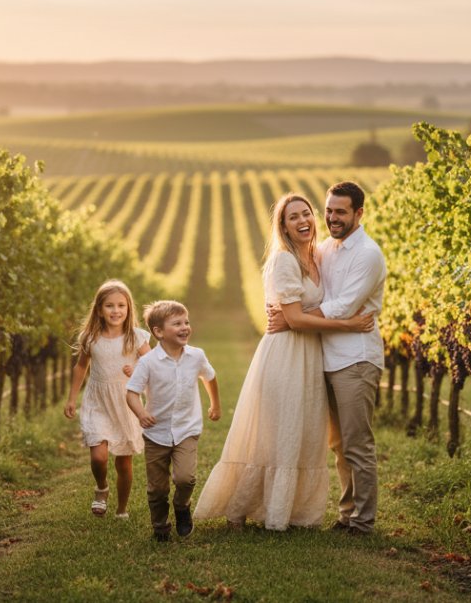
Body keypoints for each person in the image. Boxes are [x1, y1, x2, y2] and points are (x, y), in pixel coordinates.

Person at [194, 194, 375, 531]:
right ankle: (239, 509)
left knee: (299, 432)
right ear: (283, 226)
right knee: (274, 433)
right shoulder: (284, 261)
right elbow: (293, 317)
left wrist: (296, 318)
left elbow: (298, 314)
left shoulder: (317, 258)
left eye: (306, 213)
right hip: (286, 355)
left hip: (310, 356)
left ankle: (287, 510)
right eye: (293, 217)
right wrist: (345, 324)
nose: (302, 220)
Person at [268, 181, 386, 535]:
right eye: (329, 211)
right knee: (337, 445)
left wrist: (292, 323)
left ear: (359, 213)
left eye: (341, 212)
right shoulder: (324, 249)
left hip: (356, 358)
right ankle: (346, 513)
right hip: (325, 357)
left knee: (357, 443)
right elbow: (296, 286)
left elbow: (344, 306)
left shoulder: (368, 254)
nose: (332, 218)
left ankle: (363, 522)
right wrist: (282, 311)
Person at [125, 300, 221, 542]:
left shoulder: (196, 356)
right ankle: (159, 525)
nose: (185, 327)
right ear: (158, 332)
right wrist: (141, 413)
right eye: (176, 323)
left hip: (187, 429)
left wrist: (215, 404)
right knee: (157, 488)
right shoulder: (147, 362)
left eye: (186, 322)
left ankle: (181, 506)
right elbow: (131, 393)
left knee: (185, 478)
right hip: (156, 433)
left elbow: (210, 377)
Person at [64, 279, 150, 518]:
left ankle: (122, 509)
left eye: (121, 305)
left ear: (128, 308)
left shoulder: (136, 337)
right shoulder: (90, 338)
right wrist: (72, 398)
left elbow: (152, 364)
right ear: (99, 310)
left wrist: (138, 371)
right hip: (98, 401)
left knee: (124, 463)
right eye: (109, 306)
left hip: (126, 403)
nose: (116, 311)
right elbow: (81, 367)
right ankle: (101, 487)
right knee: (99, 456)